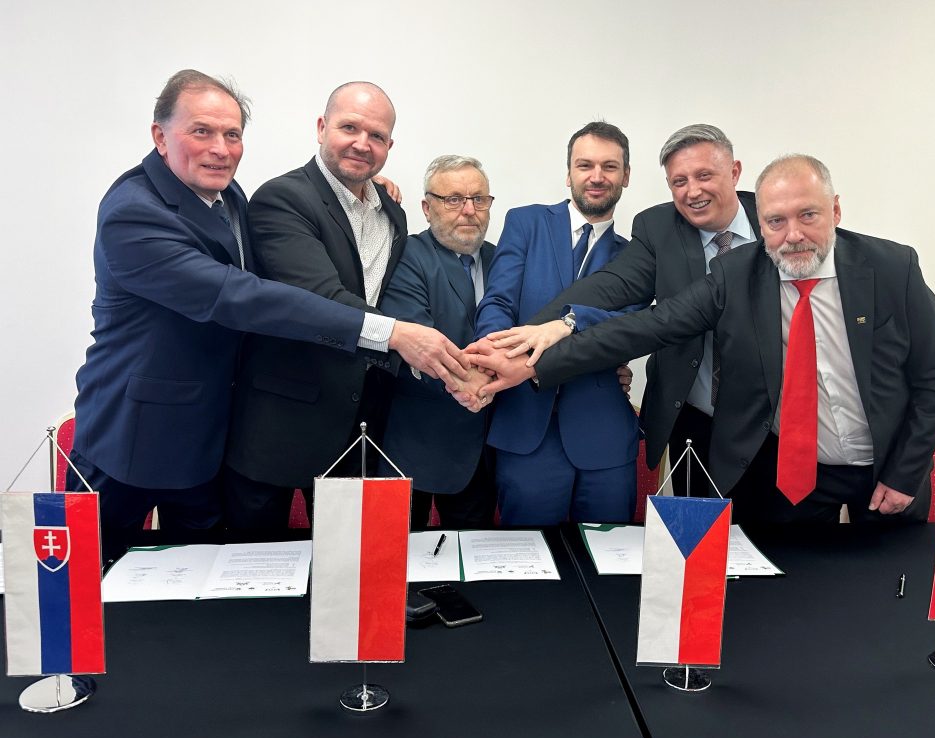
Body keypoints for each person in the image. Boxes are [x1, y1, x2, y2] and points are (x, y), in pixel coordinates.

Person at [67, 71, 467, 559]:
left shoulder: (228, 194)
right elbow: (241, 296)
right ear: (160, 136)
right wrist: (393, 334)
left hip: (211, 435)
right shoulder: (133, 211)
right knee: (91, 577)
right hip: (133, 434)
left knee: (205, 579)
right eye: (202, 131)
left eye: (232, 134)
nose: (220, 149)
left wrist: (364, 185)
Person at [470, 154, 935, 524]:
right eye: (776, 221)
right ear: (760, 223)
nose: (792, 235)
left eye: (808, 215)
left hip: (887, 473)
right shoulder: (736, 274)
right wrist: (537, 358)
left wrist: (904, 472)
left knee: (894, 595)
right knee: (794, 602)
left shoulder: (894, 268)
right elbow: (647, 327)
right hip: (794, 477)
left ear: (835, 210)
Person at [223, 81, 450, 530]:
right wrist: (404, 339)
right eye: (350, 128)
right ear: (322, 128)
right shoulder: (282, 198)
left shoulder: (392, 212)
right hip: (280, 423)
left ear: (389, 146)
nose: (363, 144)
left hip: (361, 424)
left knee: (349, 562)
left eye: (377, 136)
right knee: (256, 563)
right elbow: (320, 298)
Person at [506, 124, 758, 497]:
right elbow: (611, 288)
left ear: (734, 172)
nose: (693, 191)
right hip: (694, 419)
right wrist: (533, 336)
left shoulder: (777, 220)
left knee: (783, 532)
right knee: (698, 531)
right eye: (679, 181)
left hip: (771, 423)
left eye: (705, 175)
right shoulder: (659, 227)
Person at [471, 122, 641, 525]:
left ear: (626, 176)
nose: (596, 176)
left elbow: (628, 326)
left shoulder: (636, 256)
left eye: (609, 166)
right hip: (526, 428)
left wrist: (570, 324)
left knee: (608, 556)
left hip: (605, 439)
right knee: (528, 556)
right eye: (585, 165)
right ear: (569, 174)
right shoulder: (525, 223)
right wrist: (495, 355)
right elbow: (498, 301)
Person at [378, 155, 498, 529]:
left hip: (485, 450)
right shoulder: (406, 254)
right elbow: (418, 339)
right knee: (401, 556)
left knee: (470, 557)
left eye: (479, 199)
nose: (469, 210)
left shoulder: (502, 258)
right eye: (453, 199)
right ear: (427, 208)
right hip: (414, 445)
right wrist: (478, 383)